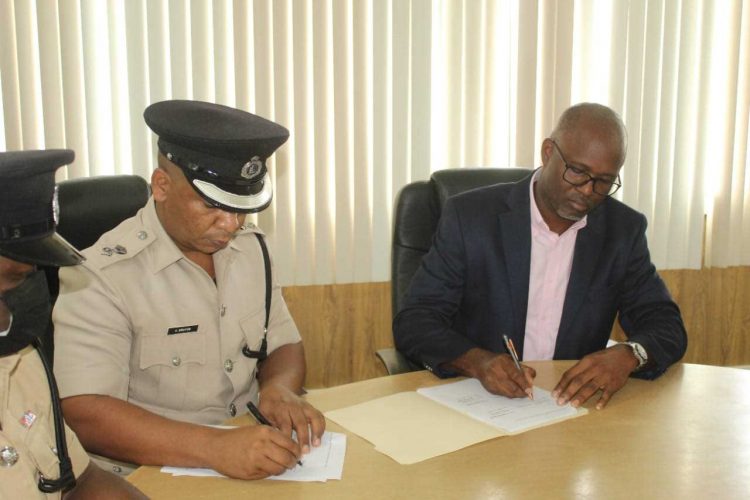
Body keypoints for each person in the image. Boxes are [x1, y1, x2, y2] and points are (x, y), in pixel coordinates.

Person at [52, 100, 325, 480]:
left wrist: (279, 389)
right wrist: (214, 448)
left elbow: (283, 344)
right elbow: (85, 412)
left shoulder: (252, 250)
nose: (231, 225)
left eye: (240, 207)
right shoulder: (101, 275)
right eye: (214, 205)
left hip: (251, 452)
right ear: (162, 186)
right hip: (148, 474)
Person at [393, 103, 687, 410]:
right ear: (548, 152)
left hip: (568, 408)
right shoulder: (470, 218)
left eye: (603, 181)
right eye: (578, 172)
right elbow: (415, 320)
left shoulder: (622, 232)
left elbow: (666, 325)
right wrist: (476, 362)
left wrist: (630, 355)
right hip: (475, 401)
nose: (588, 190)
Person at [0, 149, 145, 499]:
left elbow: (80, 478)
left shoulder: (22, 357)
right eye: (11, 278)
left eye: (29, 277)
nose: (19, 300)